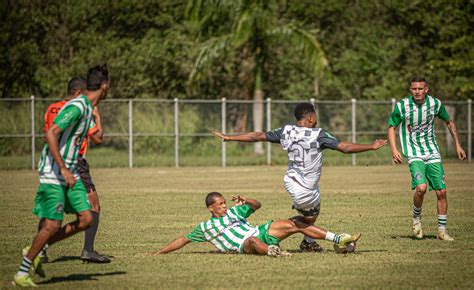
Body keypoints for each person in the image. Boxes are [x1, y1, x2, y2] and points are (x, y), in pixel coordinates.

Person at [213, 103, 387, 253]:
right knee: (302, 222)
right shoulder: (318, 134)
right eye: (315, 116)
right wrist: (371, 146)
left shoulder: (286, 131)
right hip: (305, 189)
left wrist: (230, 137)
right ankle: (334, 238)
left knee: (309, 216)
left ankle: (308, 242)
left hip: (291, 181)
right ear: (310, 118)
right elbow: (346, 148)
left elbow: (258, 136)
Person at [13, 64, 110, 287]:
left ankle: (38, 248)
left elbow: (97, 138)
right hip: (55, 173)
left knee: (87, 218)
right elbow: (51, 133)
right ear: (104, 87)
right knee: (52, 225)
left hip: (72, 170)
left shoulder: (88, 109)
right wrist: (64, 169)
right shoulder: (76, 107)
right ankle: (22, 271)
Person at [38, 76, 110, 263]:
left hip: (51, 161)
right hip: (74, 162)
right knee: (93, 206)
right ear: (79, 93)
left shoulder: (52, 108)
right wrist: (97, 117)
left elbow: (48, 135)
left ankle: (40, 252)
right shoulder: (81, 108)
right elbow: (97, 138)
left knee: (50, 211)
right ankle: (88, 250)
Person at [154, 192, 361, 256]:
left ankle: (338, 239)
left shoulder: (235, 211)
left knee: (295, 222)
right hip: (246, 244)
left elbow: (258, 205)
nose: (224, 206)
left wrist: (247, 200)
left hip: (260, 231)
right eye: (220, 204)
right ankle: (273, 251)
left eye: (225, 202)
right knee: (252, 240)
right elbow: (182, 240)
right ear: (210, 208)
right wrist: (158, 253)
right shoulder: (205, 228)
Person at [387, 76, 466, 241]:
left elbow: (449, 122)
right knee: (421, 188)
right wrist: (394, 149)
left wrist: (458, 144)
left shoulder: (435, 104)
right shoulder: (402, 106)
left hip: (433, 152)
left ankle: (442, 231)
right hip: (414, 153)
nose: (417, 92)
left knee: (442, 192)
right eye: (414, 89)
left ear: (426, 89)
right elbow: (391, 126)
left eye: (420, 89)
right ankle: (416, 219)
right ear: (410, 90)